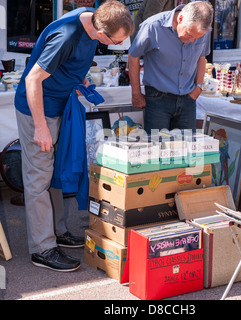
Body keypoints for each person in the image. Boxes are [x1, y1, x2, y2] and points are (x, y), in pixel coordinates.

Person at [14, 0, 134, 272]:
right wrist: (40, 126)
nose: (118, 44)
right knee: (38, 178)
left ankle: (57, 232)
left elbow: (64, 65)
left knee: (53, 172)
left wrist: (78, 80)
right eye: (116, 41)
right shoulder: (68, 34)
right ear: (101, 32)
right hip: (39, 109)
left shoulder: (92, 21)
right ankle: (42, 248)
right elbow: (33, 79)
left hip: (60, 104)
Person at [128, 1, 213, 134]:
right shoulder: (152, 26)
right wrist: (136, 93)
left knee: (187, 150)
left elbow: (201, 58)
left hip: (188, 99)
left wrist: (198, 87)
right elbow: (133, 56)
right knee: (157, 149)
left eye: (196, 38)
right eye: (189, 34)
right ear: (180, 18)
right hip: (158, 100)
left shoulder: (202, 30)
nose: (192, 40)